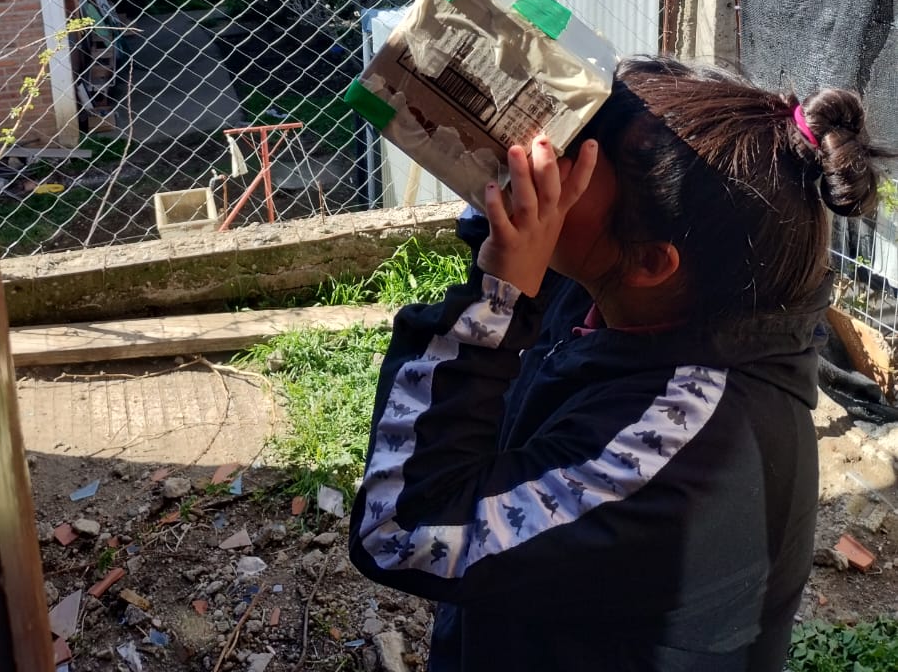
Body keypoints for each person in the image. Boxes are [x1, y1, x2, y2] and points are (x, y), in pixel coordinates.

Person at [348, 56, 889, 671]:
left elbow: (399, 531)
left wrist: (496, 297)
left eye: (579, 156)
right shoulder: (661, 292)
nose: (550, 156)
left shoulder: (672, 448)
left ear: (650, 262)